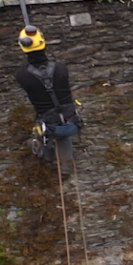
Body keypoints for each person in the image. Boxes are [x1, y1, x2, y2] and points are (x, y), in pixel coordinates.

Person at [14, 25, 81, 173]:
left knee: (44, 130)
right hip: (72, 121)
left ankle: (44, 153)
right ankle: (66, 163)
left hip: (49, 125)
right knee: (62, 131)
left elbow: (27, 67)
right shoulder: (61, 68)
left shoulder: (22, 76)